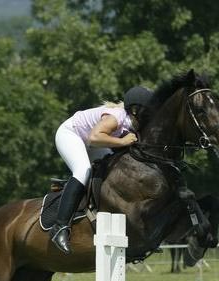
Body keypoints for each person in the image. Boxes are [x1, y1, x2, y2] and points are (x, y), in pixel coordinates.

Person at [47, 86, 154, 254]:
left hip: (91, 141)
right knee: (83, 170)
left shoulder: (135, 122)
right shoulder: (116, 117)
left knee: (111, 167)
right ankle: (59, 227)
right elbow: (94, 137)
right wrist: (123, 142)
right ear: (135, 110)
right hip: (71, 134)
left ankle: (85, 200)